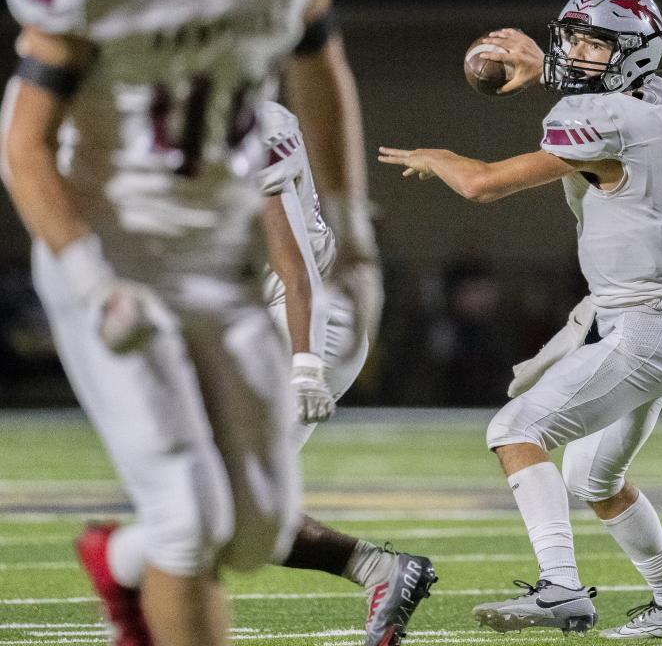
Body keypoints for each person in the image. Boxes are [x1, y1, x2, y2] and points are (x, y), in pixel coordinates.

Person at [0, 0, 382, 644]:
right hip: (118, 250)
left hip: (225, 258)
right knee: (186, 513)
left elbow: (320, 68)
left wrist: (350, 232)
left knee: (256, 529)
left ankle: (119, 560)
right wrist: (87, 275)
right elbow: (25, 142)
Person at [378, 0, 662, 639]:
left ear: (632, 53)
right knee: (593, 476)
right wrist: (548, 73)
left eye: (596, 43)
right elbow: (599, 99)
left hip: (645, 326)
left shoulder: (611, 120)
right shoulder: (652, 96)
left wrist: (439, 155)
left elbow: (481, 184)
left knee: (513, 431)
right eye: (575, 40)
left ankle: (561, 588)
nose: (578, 53)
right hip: (659, 326)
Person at [69, 101, 436, 645]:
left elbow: (296, 271)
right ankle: (378, 570)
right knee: (217, 499)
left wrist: (306, 366)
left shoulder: (243, 121)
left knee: (215, 503)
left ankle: (118, 564)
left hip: (306, 319)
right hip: (245, 320)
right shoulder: (147, 117)